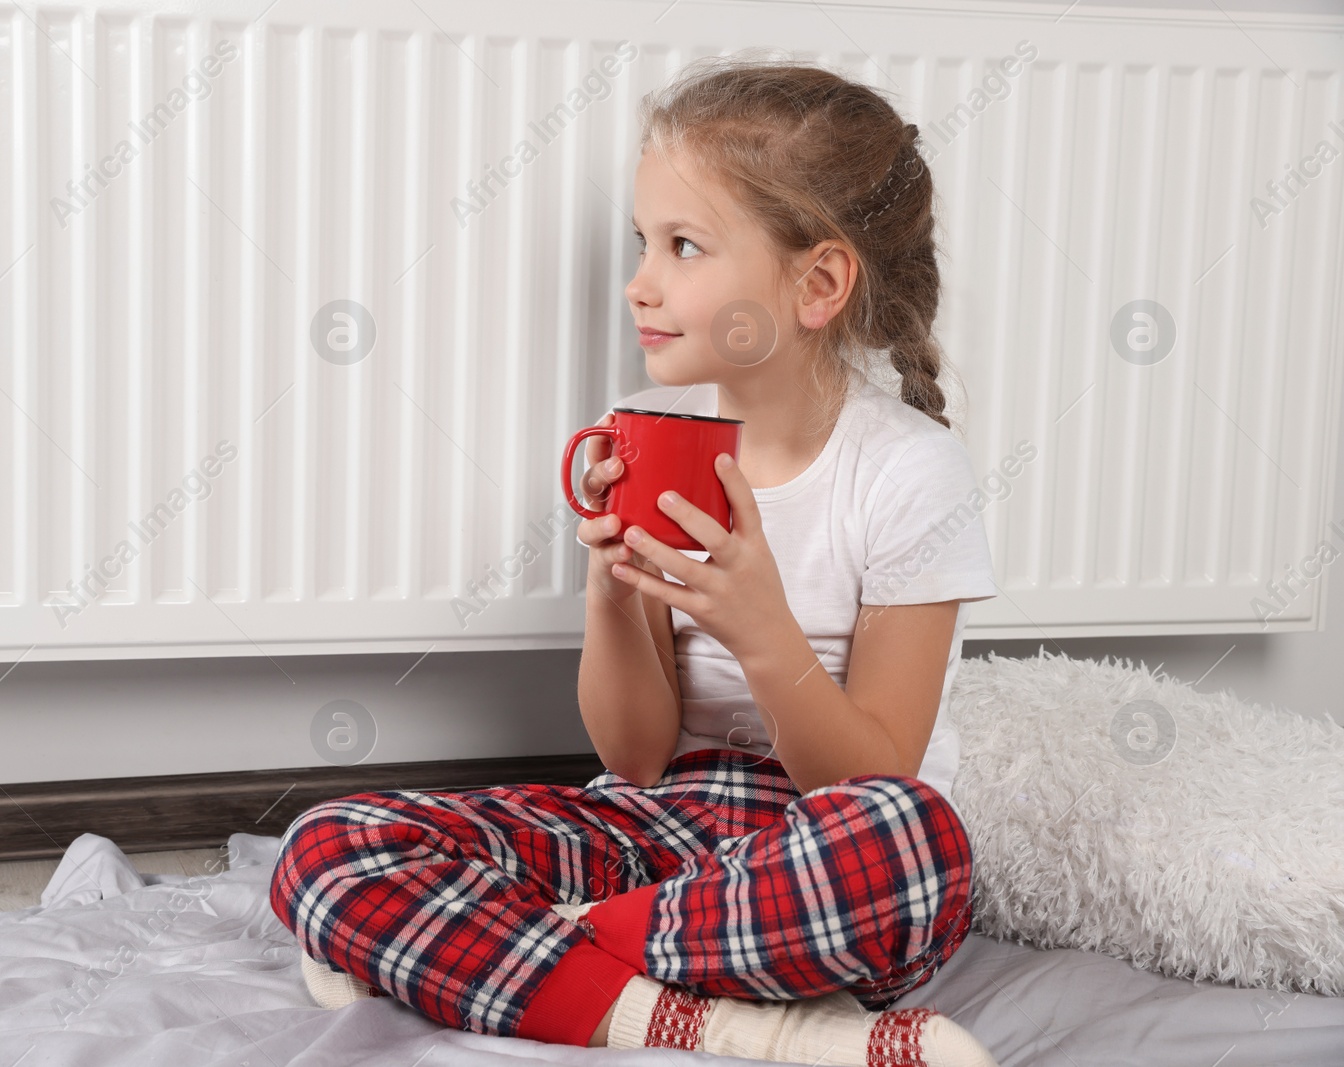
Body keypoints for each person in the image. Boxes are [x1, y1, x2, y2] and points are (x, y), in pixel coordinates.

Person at [271, 51, 1001, 1067]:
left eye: (685, 245)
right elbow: (635, 758)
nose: (640, 281)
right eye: (642, 241)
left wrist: (761, 630)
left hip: (813, 846)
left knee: (909, 839)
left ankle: (511, 956)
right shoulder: (657, 433)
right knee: (327, 847)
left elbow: (869, 775)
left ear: (817, 282)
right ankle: (712, 1019)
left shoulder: (912, 473)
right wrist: (611, 593)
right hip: (655, 830)